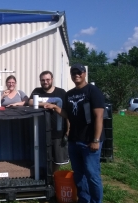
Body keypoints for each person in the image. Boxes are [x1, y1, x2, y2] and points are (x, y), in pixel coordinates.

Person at [44, 64, 105, 203]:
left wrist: (96, 140)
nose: (76, 74)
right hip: (74, 140)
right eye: (73, 72)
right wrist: (55, 107)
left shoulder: (93, 91)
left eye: (79, 72)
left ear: (84, 74)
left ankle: (96, 201)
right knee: (79, 174)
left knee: (92, 174)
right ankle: (84, 200)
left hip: (90, 141)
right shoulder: (69, 94)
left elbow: (99, 117)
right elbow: (67, 114)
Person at [28, 71, 70, 174]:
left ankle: (52, 178)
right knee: (43, 156)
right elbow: (30, 102)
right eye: (43, 80)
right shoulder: (37, 91)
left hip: (58, 132)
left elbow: (67, 113)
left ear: (52, 79)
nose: (45, 82)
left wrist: (68, 131)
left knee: (57, 159)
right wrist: (45, 104)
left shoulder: (61, 92)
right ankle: (44, 176)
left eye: (47, 79)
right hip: (41, 131)